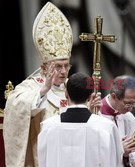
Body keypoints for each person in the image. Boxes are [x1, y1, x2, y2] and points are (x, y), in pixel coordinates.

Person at [3, 2, 101, 167]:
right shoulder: (31, 87)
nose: (64, 71)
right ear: (43, 67)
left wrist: (89, 110)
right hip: (44, 158)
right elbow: (15, 106)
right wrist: (43, 91)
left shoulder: (74, 88)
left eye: (66, 65)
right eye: (58, 66)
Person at [38, 72, 123, 167]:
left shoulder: (48, 127)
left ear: (66, 94)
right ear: (90, 97)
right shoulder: (106, 127)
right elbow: (116, 161)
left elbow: (42, 161)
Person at [99, 75, 135, 167]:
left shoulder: (128, 117)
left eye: (134, 103)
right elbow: (93, 153)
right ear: (114, 96)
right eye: (127, 103)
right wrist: (119, 150)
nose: (130, 109)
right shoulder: (97, 115)